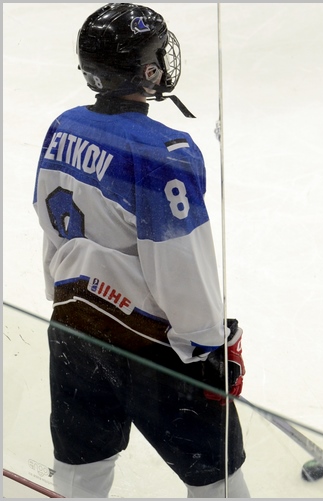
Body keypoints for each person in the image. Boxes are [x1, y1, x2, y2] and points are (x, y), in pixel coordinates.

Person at [33, 3, 249, 497]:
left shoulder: (63, 126)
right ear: (147, 69)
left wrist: (66, 295)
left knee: (80, 477)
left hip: (73, 327)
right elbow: (180, 264)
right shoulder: (164, 152)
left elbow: (51, 227)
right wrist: (209, 345)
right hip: (152, 349)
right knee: (217, 483)